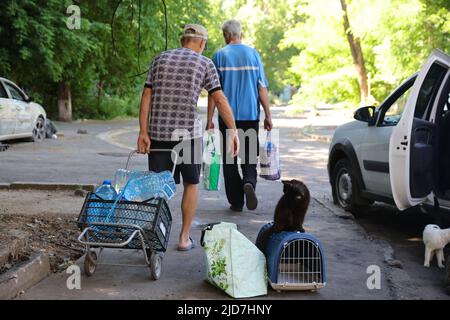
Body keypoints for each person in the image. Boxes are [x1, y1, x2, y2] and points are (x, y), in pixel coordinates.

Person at [137, 24, 239, 251]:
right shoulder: (205, 63)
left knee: (157, 187)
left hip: (158, 133)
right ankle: (183, 239)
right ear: (201, 43)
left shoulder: (159, 59)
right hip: (188, 137)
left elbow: (146, 95)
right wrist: (232, 130)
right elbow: (220, 99)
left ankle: (152, 238)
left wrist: (143, 132)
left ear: (183, 40)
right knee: (191, 183)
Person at [207, 20, 273, 212]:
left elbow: (214, 91)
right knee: (249, 155)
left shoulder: (219, 56)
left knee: (229, 160)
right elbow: (262, 88)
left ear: (226, 36)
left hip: (227, 119)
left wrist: (210, 118)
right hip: (250, 116)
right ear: (240, 34)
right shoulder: (253, 55)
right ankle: (249, 182)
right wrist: (268, 115)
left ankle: (236, 201)